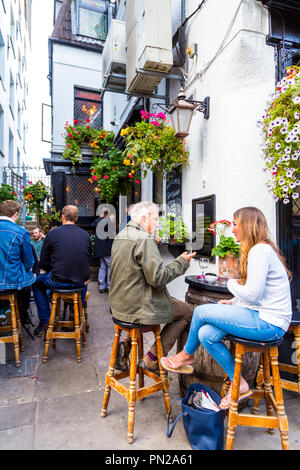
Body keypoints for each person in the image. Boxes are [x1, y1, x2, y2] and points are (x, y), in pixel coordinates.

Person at [161, 206, 293, 409]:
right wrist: (233, 302)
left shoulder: (259, 251)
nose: (232, 230)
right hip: (262, 317)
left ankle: (187, 355)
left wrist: (229, 281)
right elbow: (259, 295)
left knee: (200, 311)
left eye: (235, 224)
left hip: (269, 324)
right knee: (205, 333)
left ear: (247, 226)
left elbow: (253, 294)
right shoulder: (261, 250)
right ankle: (238, 381)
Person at [109, 201, 196, 373]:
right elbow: (158, 279)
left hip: (120, 307)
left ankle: (126, 345)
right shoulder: (143, 240)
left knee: (166, 304)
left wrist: (152, 247)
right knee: (187, 311)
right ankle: (152, 359)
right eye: (155, 220)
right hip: (138, 309)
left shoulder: (122, 235)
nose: (157, 224)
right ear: (144, 218)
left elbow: (134, 268)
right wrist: (180, 263)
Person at [33, 205, 91, 335]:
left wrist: (54, 269)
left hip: (59, 280)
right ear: (76, 218)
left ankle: (45, 319)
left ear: (62, 217)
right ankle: (76, 315)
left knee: (36, 283)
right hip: (79, 283)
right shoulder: (85, 235)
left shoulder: (52, 234)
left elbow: (43, 262)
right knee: (84, 282)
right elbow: (87, 259)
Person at [0, 200, 35, 325]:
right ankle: (21, 313)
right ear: (15, 214)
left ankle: (4, 310)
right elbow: (29, 262)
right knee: (28, 279)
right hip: (11, 283)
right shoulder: (20, 232)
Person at [92, 210, 114, 294]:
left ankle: (102, 286)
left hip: (99, 248)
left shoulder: (98, 222)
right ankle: (108, 286)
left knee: (102, 266)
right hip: (107, 248)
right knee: (110, 266)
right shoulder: (108, 222)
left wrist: (100, 217)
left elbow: (92, 225)